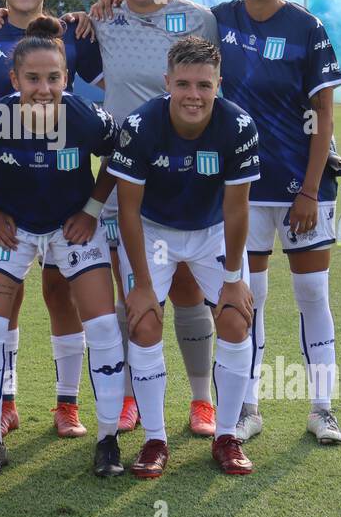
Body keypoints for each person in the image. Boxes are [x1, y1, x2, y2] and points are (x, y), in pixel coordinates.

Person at [0, 17, 128, 475]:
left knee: (103, 328)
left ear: (66, 78)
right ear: (13, 80)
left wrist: (92, 208)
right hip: (11, 230)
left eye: (53, 78)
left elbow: (121, 155)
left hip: (69, 227)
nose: (43, 88)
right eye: (32, 78)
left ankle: (107, 439)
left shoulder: (86, 117)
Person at [86, 0, 224, 438]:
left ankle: (201, 399)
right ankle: (128, 398)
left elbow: (213, 94)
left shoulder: (196, 19)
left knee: (187, 285)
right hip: (127, 175)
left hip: (187, 172)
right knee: (132, 288)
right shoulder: (104, 18)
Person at [0, 0, 104, 437]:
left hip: (66, 211)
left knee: (62, 295)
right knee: (5, 300)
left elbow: (118, 153)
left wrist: (92, 207)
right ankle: (5, 398)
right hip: (11, 208)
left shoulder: (77, 38)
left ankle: (68, 404)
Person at [210, 0, 341, 446]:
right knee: (252, 297)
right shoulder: (218, 21)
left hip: (300, 190)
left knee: (313, 293)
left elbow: (324, 114)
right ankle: (248, 407)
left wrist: (310, 192)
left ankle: (322, 409)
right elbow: (163, 18)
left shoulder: (306, 27)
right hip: (241, 189)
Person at [109, 37, 260, 478]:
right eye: (183, 84)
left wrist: (233, 277)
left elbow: (236, 208)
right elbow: (129, 209)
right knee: (143, 322)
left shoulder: (238, 126)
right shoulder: (141, 125)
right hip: (154, 230)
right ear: (167, 83)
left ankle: (227, 435)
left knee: (234, 317)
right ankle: (155, 440)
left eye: (204, 85)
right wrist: (140, 285)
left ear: (218, 85)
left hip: (211, 230)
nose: (194, 95)